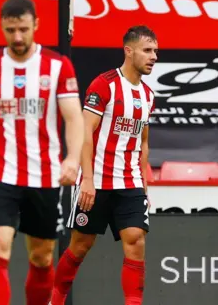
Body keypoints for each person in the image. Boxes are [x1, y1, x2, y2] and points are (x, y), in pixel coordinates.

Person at [0, 0, 85, 305]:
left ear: (36, 25)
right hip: (1, 173)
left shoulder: (57, 66)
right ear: (1, 25)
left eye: (23, 29)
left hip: (45, 176)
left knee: (41, 257)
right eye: (11, 29)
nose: (17, 37)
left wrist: (72, 158)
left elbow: (74, 118)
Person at [50, 26, 157, 305]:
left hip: (130, 182)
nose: (153, 56)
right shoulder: (104, 84)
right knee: (81, 246)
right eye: (148, 50)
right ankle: (55, 299)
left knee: (136, 240)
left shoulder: (148, 95)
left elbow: (144, 143)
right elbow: (85, 132)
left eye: (155, 51)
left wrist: (144, 186)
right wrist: (86, 179)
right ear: (128, 50)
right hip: (96, 182)